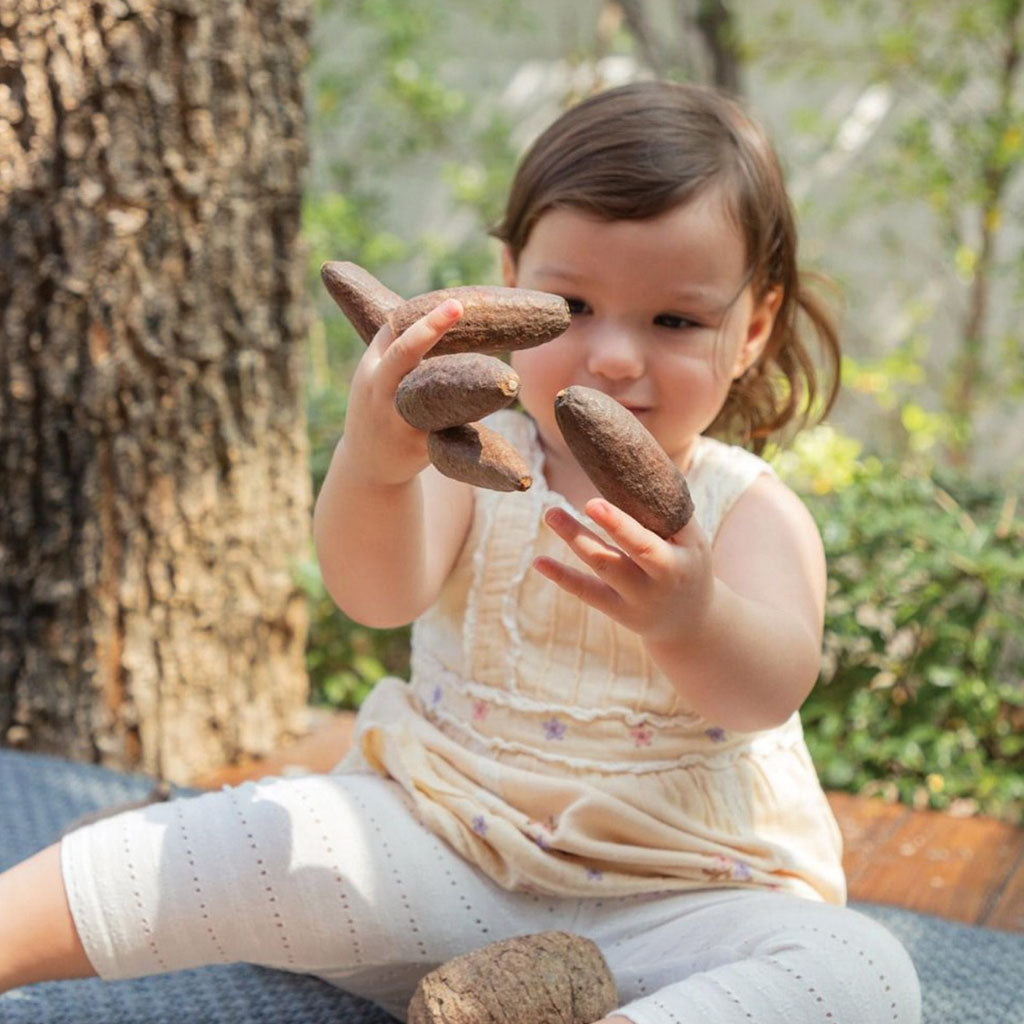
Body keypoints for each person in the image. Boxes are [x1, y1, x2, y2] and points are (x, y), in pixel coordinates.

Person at [0, 80, 921, 1022]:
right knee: (261, 835)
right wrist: (375, 462)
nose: (612, 356)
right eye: (571, 303)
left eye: (674, 321)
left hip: (681, 907)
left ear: (753, 328)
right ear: (507, 281)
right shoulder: (479, 463)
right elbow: (374, 592)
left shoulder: (745, 511)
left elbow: (767, 689)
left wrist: (693, 615)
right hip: (439, 860)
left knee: (863, 973)